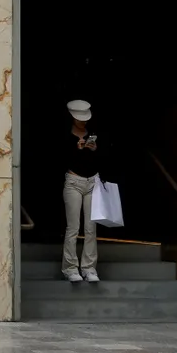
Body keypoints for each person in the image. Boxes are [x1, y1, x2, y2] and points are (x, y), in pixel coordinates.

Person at [62, 99, 101, 283]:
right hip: (73, 181)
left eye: (85, 118)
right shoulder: (66, 135)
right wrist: (75, 149)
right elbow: (60, 159)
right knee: (73, 228)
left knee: (90, 228)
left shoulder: (92, 134)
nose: (83, 122)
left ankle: (89, 268)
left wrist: (94, 150)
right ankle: (70, 268)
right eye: (80, 118)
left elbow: (101, 160)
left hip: (92, 181)